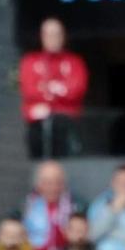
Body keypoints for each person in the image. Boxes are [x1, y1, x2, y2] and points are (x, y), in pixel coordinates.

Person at [19, 17, 87, 158]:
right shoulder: (30, 61)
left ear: (63, 36)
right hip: (37, 124)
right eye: (49, 34)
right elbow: (29, 91)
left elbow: (77, 91)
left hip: (66, 123)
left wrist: (46, 91)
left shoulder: (75, 62)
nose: (53, 38)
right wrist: (59, 90)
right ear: (42, 36)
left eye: (57, 34)